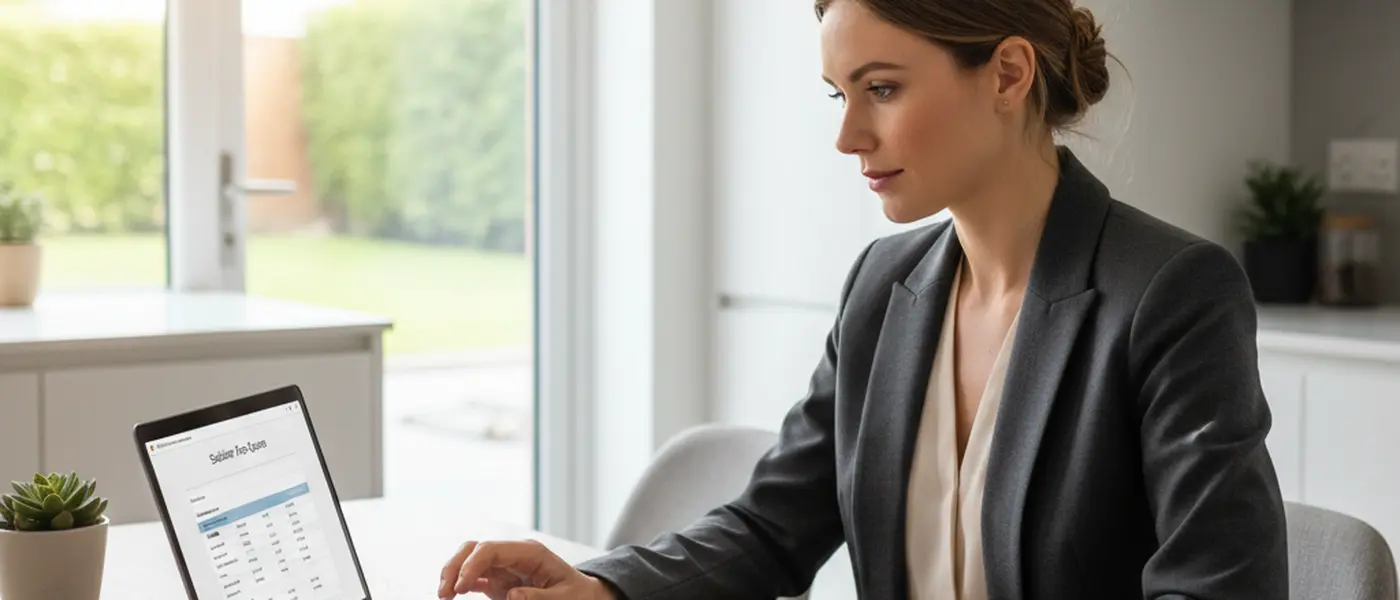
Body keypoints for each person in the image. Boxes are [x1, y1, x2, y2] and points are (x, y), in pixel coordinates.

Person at [437, 0, 1290, 597]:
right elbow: (773, 529)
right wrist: (600, 586)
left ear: (1008, 73)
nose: (848, 136)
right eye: (839, 95)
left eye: (881, 88)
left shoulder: (1171, 293)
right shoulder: (884, 289)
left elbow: (1220, 589)